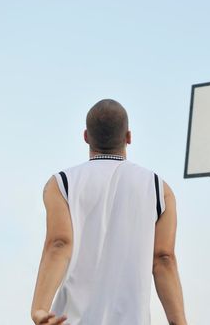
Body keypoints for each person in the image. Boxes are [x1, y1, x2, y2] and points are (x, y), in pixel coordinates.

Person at [31, 99, 187, 325]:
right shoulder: (159, 188)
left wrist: (40, 309)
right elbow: (164, 259)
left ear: (86, 136)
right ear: (129, 137)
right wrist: (179, 322)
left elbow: (59, 243)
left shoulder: (61, 183)